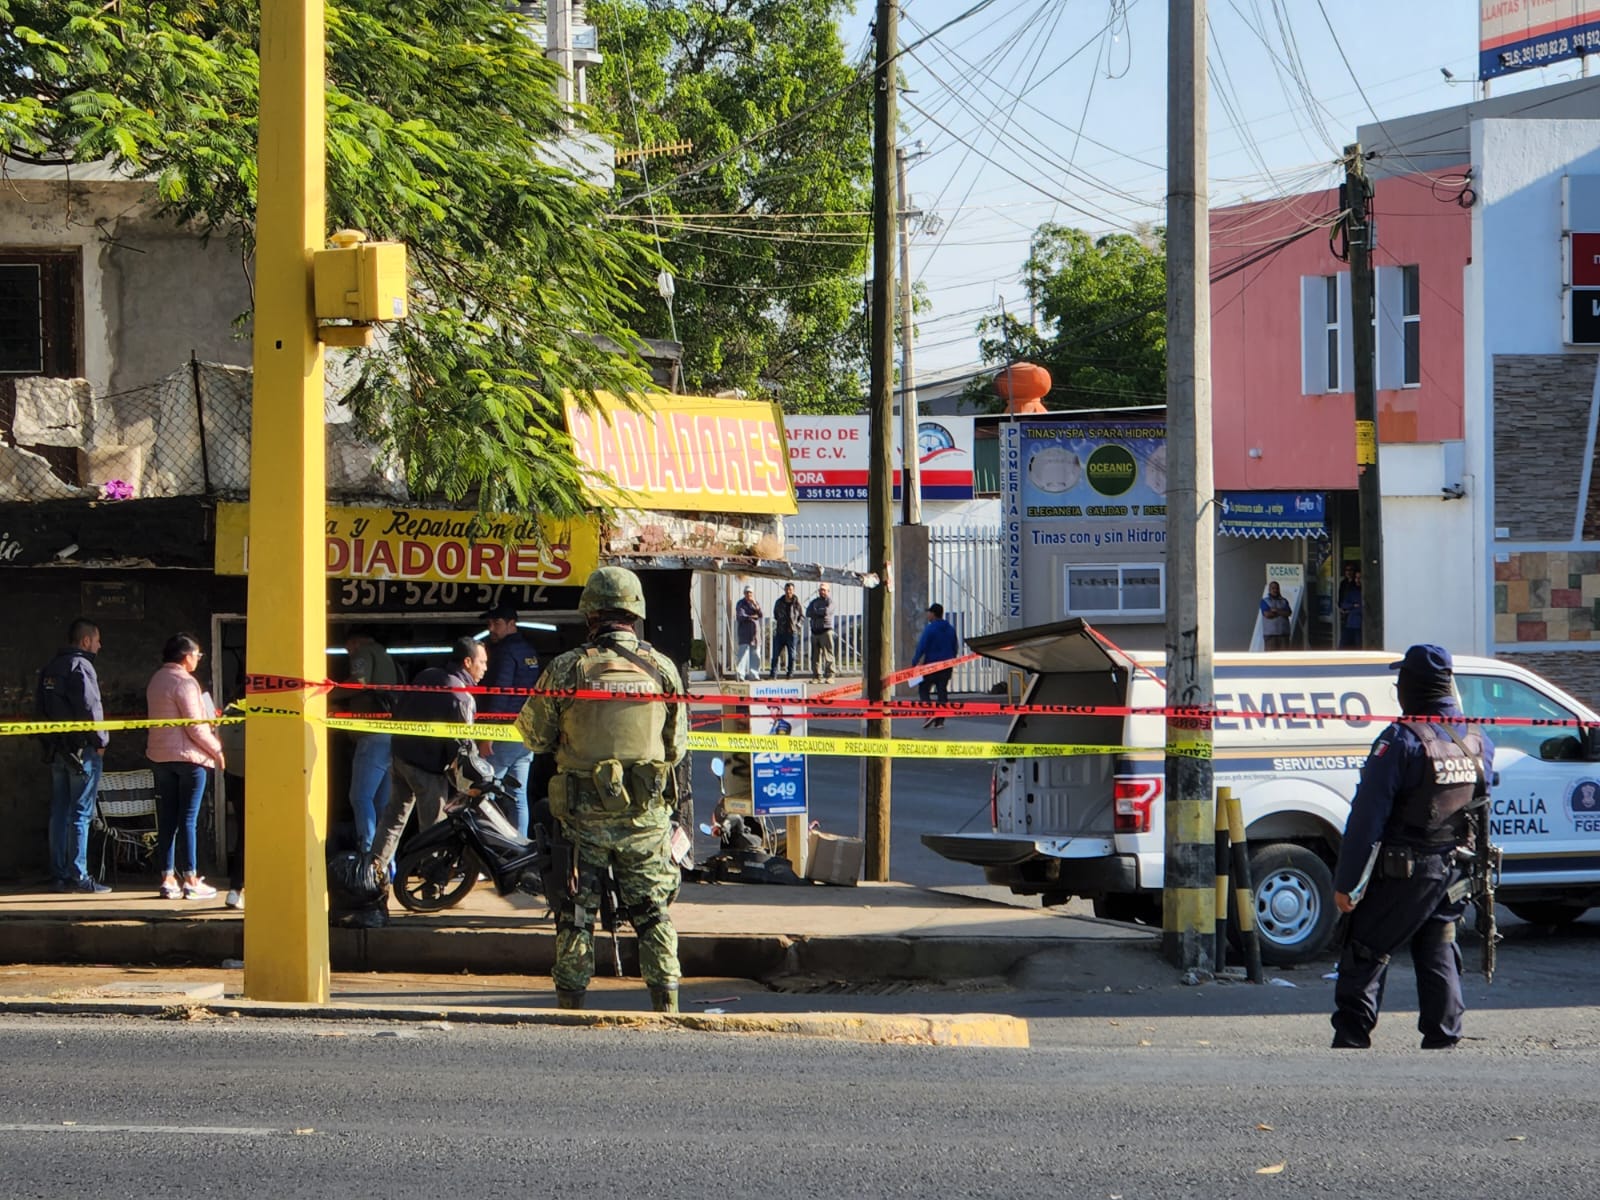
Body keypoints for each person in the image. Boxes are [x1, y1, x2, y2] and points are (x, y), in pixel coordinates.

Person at [515, 566, 687, 1013]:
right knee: (653, 915)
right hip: (644, 819)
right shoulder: (663, 669)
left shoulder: (568, 668)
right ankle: (666, 1002)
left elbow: (533, 737)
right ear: (635, 612)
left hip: (581, 819)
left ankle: (571, 1004)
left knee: (575, 917)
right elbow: (676, 749)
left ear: (589, 613)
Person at [1329, 644, 1493, 1050]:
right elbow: (1483, 804)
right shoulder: (1476, 739)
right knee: (1438, 945)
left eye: (1401, 679)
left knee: (1365, 947)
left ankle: (1351, 1038)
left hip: (1404, 871)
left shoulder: (1401, 739)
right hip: (1454, 868)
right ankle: (1443, 1038)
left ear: (1412, 685)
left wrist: (1348, 883)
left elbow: (1367, 817)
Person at [369, 636, 488, 872]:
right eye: (482, 662)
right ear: (467, 662)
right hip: (426, 768)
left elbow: (400, 707)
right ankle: (431, 885)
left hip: (401, 758)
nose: (485, 668)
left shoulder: (427, 675)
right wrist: (468, 780)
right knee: (433, 829)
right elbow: (462, 745)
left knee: (393, 817)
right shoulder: (461, 696)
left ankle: (373, 871)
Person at [146, 633, 225, 900]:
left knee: (167, 820)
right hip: (189, 759)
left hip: (160, 758)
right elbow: (194, 726)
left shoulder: (156, 680)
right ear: (185, 655)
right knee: (188, 819)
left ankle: (168, 878)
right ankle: (191, 878)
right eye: (197, 655)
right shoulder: (185, 683)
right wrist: (216, 750)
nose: (198, 659)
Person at [36, 618, 112, 893]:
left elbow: (39, 710)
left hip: (58, 751)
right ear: (85, 641)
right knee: (81, 813)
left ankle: (58, 874)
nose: (99, 645)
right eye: (97, 640)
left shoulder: (50, 668)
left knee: (59, 812)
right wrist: (100, 740)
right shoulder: (82, 666)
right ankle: (79, 876)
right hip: (83, 752)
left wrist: (49, 744)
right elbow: (91, 708)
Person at [479, 603, 541, 836]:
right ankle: (520, 849)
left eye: (496, 623)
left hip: (504, 732)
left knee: (482, 791)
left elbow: (499, 694)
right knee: (518, 795)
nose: (491, 629)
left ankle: (482, 850)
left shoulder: (504, 653)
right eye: (489, 624)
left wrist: (488, 734)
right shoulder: (529, 651)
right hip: (525, 734)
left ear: (511, 624)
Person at [339, 628, 401, 854]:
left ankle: (368, 854)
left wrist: (327, 693)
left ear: (354, 642)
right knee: (381, 803)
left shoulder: (363, 652)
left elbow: (359, 681)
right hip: (390, 735)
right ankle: (386, 860)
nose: (348, 653)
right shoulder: (385, 655)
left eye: (347, 649)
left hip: (372, 736)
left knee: (360, 797)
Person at [911, 603, 961, 728]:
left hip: (931, 666)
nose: (927, 614)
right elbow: (955, 646)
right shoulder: (950, 628)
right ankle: (940, 721)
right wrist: (952, 660)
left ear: (933, 614)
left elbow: (921, 646)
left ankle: (929, 712)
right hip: (946, 666)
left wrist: (914, 662)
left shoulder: (930, 628)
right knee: (942, 691)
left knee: (923, 689)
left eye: (929, 612)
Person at [770, 582, 801, 679]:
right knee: (775, 654)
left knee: (792, 655)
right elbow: (775, 614)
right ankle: (773, 674)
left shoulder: (796, 603)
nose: (788, 592)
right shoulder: (779, 602)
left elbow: (802, 616)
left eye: (790, 590)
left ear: (793, 591)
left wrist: (797, 626)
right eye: (787, 590)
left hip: (792, 633)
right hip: (780, 632)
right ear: (784, 590)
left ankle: (790, 672)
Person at [806, 582, 835, 684]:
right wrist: (819, 612)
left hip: (826, 631)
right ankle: (817, 676)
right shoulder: (814, 602)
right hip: (815, 631)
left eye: (824, 590)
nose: (822, 592)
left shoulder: (830, 602)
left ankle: (830, 675)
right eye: (820, 590)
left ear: (828, 591)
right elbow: (808, 612)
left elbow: (827, 612)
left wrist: (816, 612)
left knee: (828, 655)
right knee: (815, 656)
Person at [734, 586, 763, 681]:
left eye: (750, 593)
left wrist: (755, 605)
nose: (748, 595)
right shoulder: (740, 603)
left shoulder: (755, 603)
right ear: (744, 593)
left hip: (755, 634)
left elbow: (760, 614)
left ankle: (754, 674)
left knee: (756, 654)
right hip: (744, 633)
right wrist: (751, 617)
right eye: (747, 593)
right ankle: (740, 675)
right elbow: (741, 615)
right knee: (742, 655)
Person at [1260, 581, 1292, 651]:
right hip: (1271, 635)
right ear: (1269, 589)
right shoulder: (1265, 601)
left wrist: (1276, 610)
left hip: (1284, 635)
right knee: (1271, 658)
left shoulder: (1284, 601)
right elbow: (1267, 614)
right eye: (1273, 588)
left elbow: (1288, 613)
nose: (1275, 590)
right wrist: (1281, 612)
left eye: (1277, 588)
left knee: (1284, 657)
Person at [1338, 564, 1362, 649]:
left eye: (1360, 578)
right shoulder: (1351, 589)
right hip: (1350, 621)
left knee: (1358, 645)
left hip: (1360, 624)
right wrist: (1352, 606)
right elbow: (1344, 603)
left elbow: (1362, 607)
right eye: (1356, 578)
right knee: (1343, 645)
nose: (1357, 580)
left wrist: (1352, 609)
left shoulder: (1364, 592)